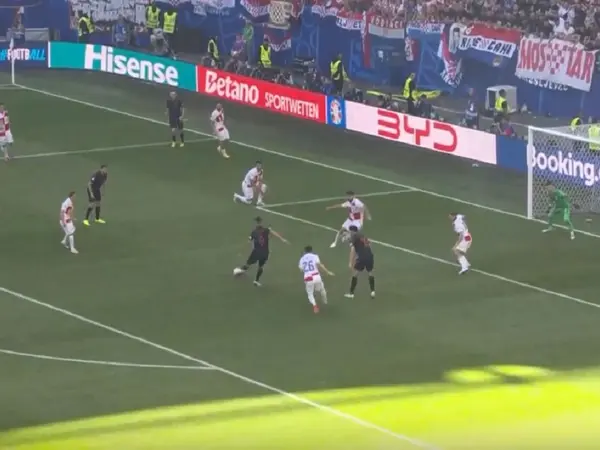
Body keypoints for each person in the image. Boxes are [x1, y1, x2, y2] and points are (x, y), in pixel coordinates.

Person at [233, 216, 289, 286]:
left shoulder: (254, 232)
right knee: (261, 266)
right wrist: (282, 239)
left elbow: (249, 241)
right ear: (261, 222)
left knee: (248, 264)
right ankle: (256, 281)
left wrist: (242, 250)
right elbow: (274, 233)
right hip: (265, 252)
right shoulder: (266, 230)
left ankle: (239, 271)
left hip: (256, 252)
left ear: (256, 223)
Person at [298, 245, 334, 314]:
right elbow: (319, 265)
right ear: (311, 250)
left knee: (310, 293)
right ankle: (325, 301)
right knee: (322, 289)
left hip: (308, 278)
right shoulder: (315, 256)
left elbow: (301, 269)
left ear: (305, 251)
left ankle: (315, 306)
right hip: (316, 276)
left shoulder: (301, 259)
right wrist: (327, 272)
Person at [345, 226, 375, 299]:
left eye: (350, 231)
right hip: (369, 256)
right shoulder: (362, 235)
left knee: (355, 274)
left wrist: (350, 262)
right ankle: (373, 291)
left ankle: (351, 293)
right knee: (370, 273)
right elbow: (369, 244)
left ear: (352, 231)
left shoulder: (354, 237)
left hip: (362, 257)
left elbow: (352, 250)